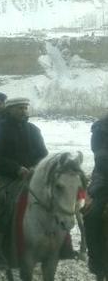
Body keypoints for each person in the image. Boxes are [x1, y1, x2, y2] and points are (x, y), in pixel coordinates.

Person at [0, 97, 52, 264]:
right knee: (4, 204)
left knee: (53, 200)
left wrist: (34, 168)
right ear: (10, 110)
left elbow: (43, 154)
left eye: (25, 108)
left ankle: (57, 246)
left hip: (32, 175)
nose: (24, 111)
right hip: (7, 176)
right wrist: (16, 168)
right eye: (20, 108)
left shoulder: (34, 130)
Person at [85, 112, 108, 274]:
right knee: (92, 214)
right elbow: (101, 159)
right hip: (104, 177)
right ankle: (97, 261)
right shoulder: (101, 128)